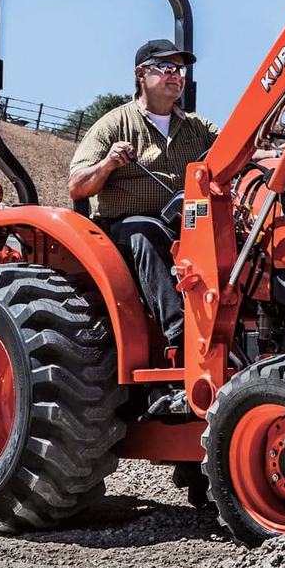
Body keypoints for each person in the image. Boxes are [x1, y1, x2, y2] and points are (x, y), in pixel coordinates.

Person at [69, 40, 219, 355]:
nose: (175, 75)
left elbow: (237, 151)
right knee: (144, 233)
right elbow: (77, 186)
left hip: (190, 223)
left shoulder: (197, 127)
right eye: (166, 67)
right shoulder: (113, 125)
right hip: (127, 229)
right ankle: (184, 339)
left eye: (179, 69)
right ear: (140, 74)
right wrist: (108, 163)